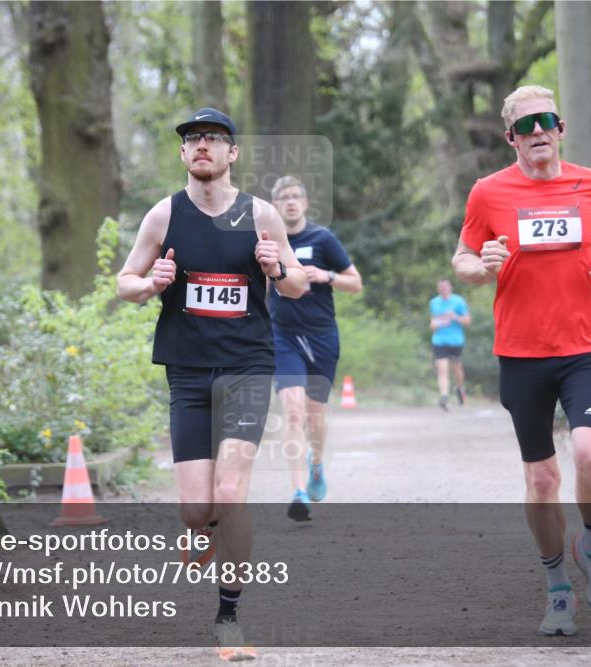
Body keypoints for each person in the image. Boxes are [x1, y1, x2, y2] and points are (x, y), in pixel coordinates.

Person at [117, 107, 307, 660]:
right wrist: (150, 282)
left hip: (248, 366)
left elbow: (297, 285)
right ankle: (202, 531)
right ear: (183, 154)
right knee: (195, 509)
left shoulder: (261, 214)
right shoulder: (163, 216)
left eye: (214, 139)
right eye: (193, 139)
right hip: (188, 372)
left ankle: (228, 616)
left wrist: (275, 269)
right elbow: (124, 281)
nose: (203, 146)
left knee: (230, 493)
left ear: (232, 154)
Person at [451, 85, 591, 637]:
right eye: (524, 127)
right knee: (543, 477)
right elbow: (463, 258)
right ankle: (557, 590)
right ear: (511, 139)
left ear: (560, 127)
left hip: (582, 347)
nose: (536, 133)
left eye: (544, 121)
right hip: (522, 353)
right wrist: (483, 266)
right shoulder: (488, 192)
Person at [268, 175, 362, 521]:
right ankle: (297, 490)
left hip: (322, 335)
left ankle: (317, 464)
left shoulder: (323, 239)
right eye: (284, 197)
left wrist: (327, 276)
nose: (290, 202)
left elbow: (356, 282)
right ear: (275, 207)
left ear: (305, 203)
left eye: (296, 196)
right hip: (283, 334)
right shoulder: (268, 242)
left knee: (314, 414)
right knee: (292, 410)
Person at [429, 278, 470, 410]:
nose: (443, 290)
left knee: (456, 368)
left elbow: (467, 321)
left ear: (450, 288)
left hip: (456, 340)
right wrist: (434, 325)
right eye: (440, 288)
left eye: (445, 287)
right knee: (442, 369)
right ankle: (444, 398)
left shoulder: (458, 301)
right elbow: (433, 323)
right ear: (438, 289)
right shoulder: (434, 302)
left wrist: (455, 317)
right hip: (439, 340)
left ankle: (459, 388)